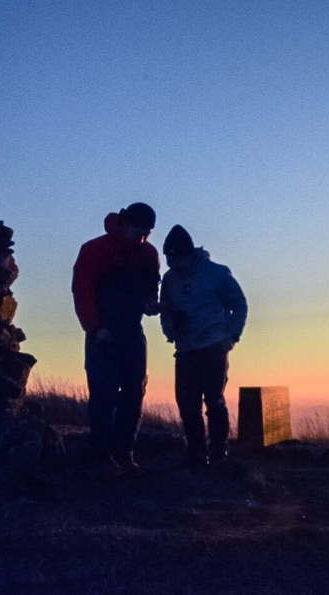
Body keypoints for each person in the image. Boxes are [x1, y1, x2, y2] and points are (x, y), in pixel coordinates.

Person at [72, 202, 160, 475]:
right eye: (139, 231)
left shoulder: (149, 254)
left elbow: (150, 288)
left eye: (147, 233)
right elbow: (82, 291)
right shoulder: (95, 249)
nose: (142, 238)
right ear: (125, 223)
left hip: (132, 331)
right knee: (103, 393)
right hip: (103, 334)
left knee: (134, 392)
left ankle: (124, 454)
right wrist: (95, 328)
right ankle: (101, 455)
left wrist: (150, 303)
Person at [159, 224, 247, 468]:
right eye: (168, 259)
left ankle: (219, 453)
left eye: (176, 259)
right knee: (187, 404)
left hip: (213, 348)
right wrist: (169, 329)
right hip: (186, 349)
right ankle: (196, 452)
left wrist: (231, 337)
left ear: (188, 255)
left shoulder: (216, 273)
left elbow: (239, 304)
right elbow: (165, 308)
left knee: (214, 402)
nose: (172, 265)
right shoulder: (169, 280)